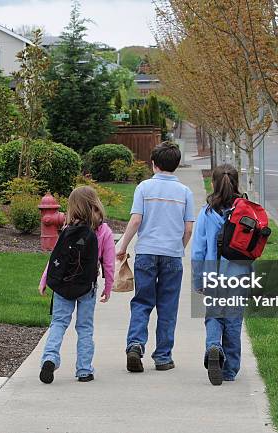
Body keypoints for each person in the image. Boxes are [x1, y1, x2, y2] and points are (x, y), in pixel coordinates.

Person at [116, 142, 195, 372]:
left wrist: (122, 245)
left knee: (142, 301)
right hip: (172, 255)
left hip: (146, 253)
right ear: (176, 165)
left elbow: (136, 220)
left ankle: (135, 344)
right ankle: (162, 357)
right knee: (168, 306)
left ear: (154, 164)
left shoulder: (144, 188)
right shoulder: (185, 193)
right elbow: (188, 228)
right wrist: (179, 248)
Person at [38, 186, 115, 384]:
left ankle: (49, 357)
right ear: (95, 204)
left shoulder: (67, 230)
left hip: (64, 286)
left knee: (59, 323)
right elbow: (108, 262)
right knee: (85, 327)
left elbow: (57, 257)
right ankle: (84, 370)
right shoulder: (103, 231)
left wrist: (45, 278)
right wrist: (108, 286)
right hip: (87, 286)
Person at [191, 164, 251, 385]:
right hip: (238, 274)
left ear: (213, 184)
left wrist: (198, 280)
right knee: (234, 320)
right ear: (237, 183)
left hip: (213, 273)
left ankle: (214, 346)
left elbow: (198, 250)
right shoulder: (245, 211)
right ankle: (230, 370)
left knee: (214, 315)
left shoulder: (207, 212)